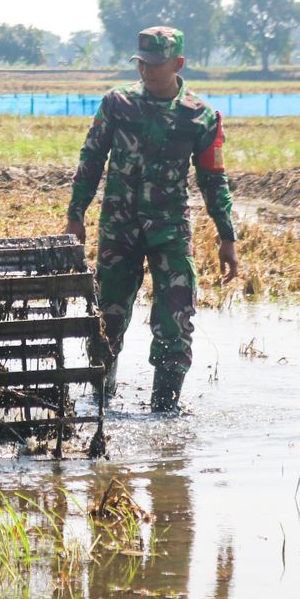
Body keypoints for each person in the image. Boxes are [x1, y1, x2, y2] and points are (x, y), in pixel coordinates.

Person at [64, 26, 239, 412]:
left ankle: (165, 411)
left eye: (155, 65)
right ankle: (101, 402)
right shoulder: (118, 103)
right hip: (118, 230)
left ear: (177, 64)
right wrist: (76, 214)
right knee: (107, 317)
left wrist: (227, 236)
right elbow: (91, 158)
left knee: (176, 318)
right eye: (142, 63)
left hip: (170, 231)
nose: (147, 71)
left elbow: (214, 180)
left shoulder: (201, 117)